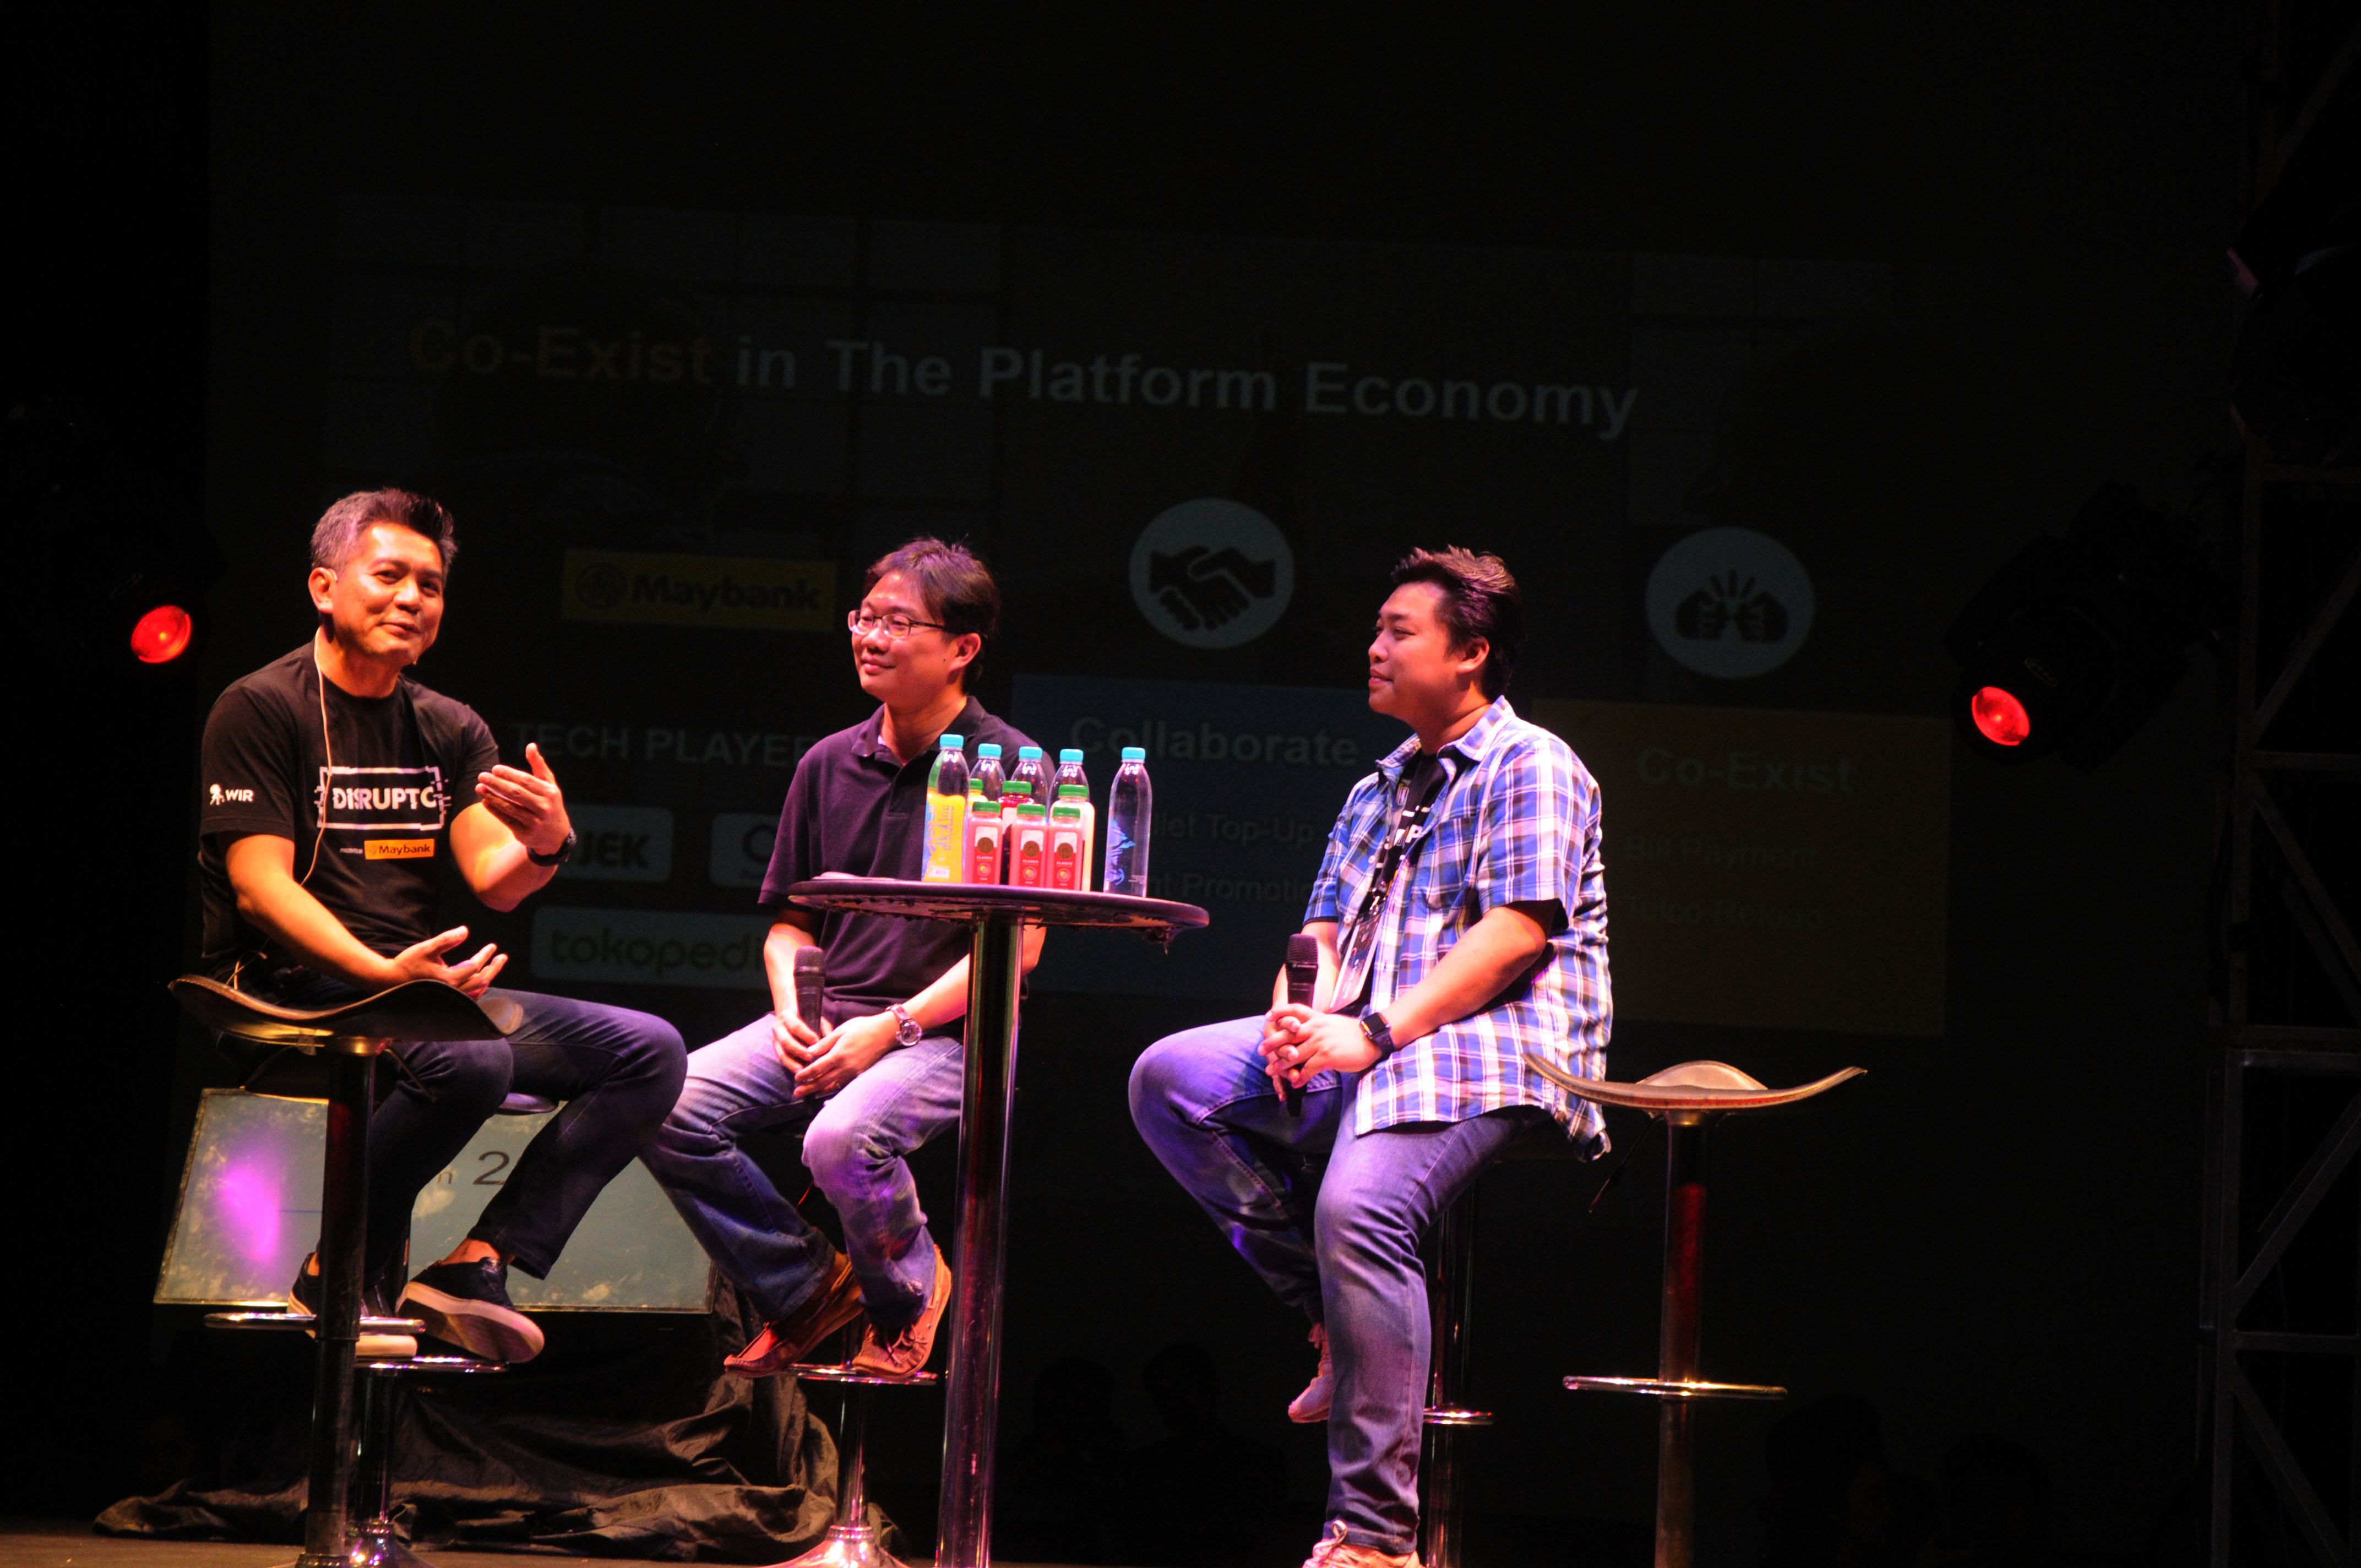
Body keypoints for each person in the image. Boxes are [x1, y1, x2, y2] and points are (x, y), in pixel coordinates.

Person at [1128, 547, 1611, 1568]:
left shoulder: (1534, 765)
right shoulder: (1377, 786)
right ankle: (1331, 1319)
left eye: (1400, 631)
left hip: (1493, 1046)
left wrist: (1375, 1033)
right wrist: (1292, 1020)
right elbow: (1321, 937)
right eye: (1378, 629)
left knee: (1360, 1208)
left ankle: (1375, 1536)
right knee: (1172, 1079)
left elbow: (1516, 936)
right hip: (1367, 1040)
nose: (1374, 648)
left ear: (1471, 653)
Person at [198, 488, 686, 1362]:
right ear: (323, 587)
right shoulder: (260, 706)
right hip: (289, 986)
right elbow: (260, 890)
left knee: (648, 1052)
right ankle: (341, 1268)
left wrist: (547, 843)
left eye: (429, 585)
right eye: (389, 576)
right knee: (471, 1059)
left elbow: (495, 880)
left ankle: (477, 1262)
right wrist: (385, 976)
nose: (412, 599)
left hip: (412, 992)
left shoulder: (449, 725)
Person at [642, 538, 1046, 1379]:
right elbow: (790, 926)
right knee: (663, 1103)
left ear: (962, 648)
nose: (870, 638)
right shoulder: (829, 762)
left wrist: (890, 1029)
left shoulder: (1015, 767)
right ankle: (804, 1288)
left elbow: (1021, 948)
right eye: (865, 618)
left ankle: (907, 1293)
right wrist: (793, 1009)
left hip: (949, 1034)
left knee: (840, 1139)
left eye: (898, 623)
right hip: (831, 1016)